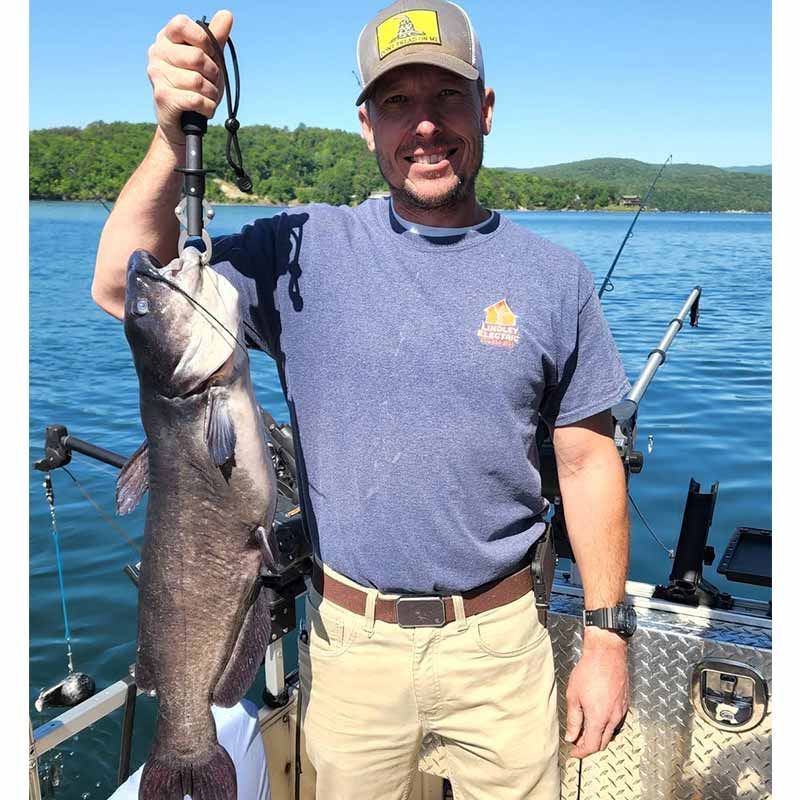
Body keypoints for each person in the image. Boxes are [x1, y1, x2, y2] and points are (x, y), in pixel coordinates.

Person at [92, 2, 633, 797]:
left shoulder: (555, 279)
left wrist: (607, 640)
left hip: (503, 644)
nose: (424, 126)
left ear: (484, 108)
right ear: (365, 124)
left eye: (446, 96)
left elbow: (587, 463)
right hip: (351, 646)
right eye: (396, 102)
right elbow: (122, 286)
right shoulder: (300, 250)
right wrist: (173, 139)